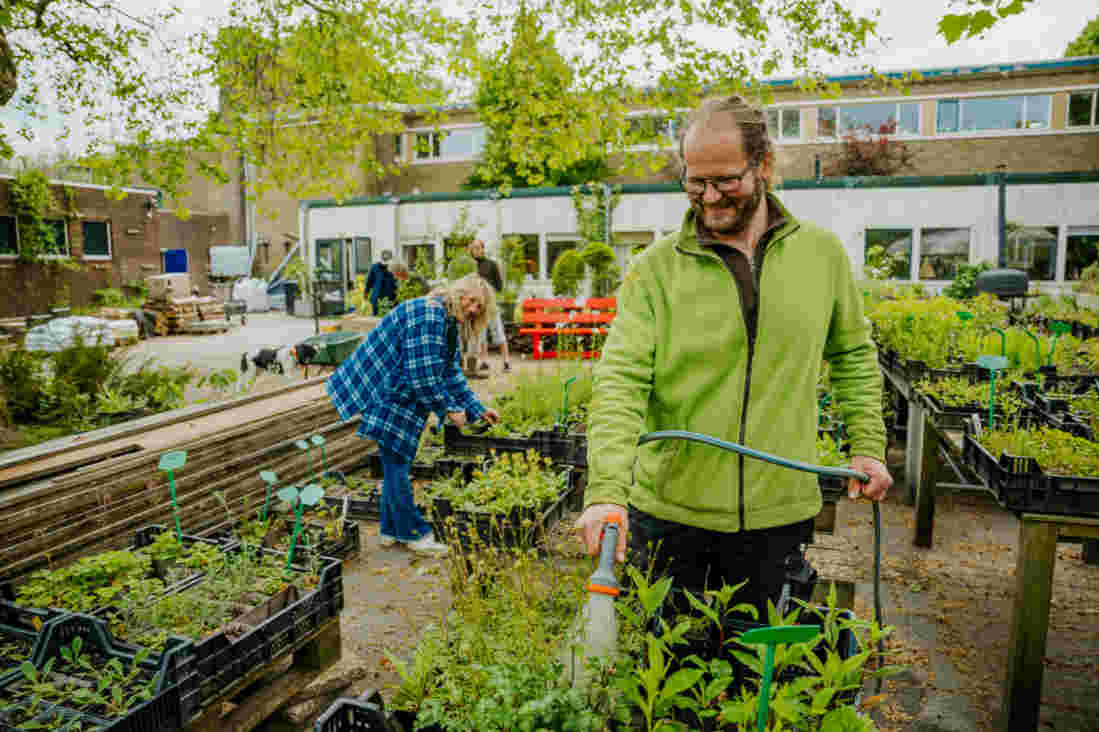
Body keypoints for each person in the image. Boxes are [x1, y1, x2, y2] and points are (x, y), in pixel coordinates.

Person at [574, 95, 892, 616]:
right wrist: (607, 491)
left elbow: (853, 355)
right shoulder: (656, 270)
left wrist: (868, 446)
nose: (709, 197)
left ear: (762, 165)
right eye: (695, 182)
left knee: (763, 662)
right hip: (671, 515)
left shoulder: (821, 256)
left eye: (725, 180)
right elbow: (621, 382)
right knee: (666, 662)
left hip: (778, 514)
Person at [327, 273, 501, 556]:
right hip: (384, 389)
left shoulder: (447, 322)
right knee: (397, 462)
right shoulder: (429, 315)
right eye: (472, 301)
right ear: (459, 293)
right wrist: (450, 409)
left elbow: (450, 372)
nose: (472, 310)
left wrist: (477, 409)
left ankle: (389, 529)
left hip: (400, 392)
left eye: (478, 308)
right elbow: (423, 377)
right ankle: (413, 534)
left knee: (395, 461)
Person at [468, 238, 512, 372]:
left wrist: (486, 288)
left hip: (490, 304)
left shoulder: (491, 264)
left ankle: (506, 361)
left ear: (483, 249)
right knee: (481, 334)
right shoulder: (470, 266)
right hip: (477, 306)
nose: (476, 250)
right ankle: (484, 361)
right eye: (473, 248)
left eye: (478, 248)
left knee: (498, 331)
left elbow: (499, 287)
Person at [365, 250, 398, 316]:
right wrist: (366, 293)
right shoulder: (374, 267)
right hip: (377, 298)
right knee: (376, 317)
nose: (385, 265)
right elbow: (369, 282)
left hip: (391, 299)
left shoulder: (394, 268)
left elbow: (397, 283)